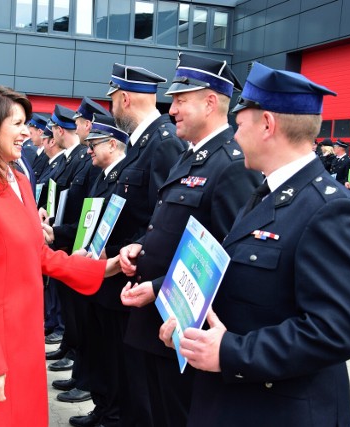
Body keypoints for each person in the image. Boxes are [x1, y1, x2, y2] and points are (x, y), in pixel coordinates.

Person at [159, 62, 350, 426]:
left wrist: (231, 352)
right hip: (240, 400)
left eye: (240, 124)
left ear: (267, 125)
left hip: (281, 408)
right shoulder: (266, 193)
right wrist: (187, 325)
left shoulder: (331, 210)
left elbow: (338, 329)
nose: (235, 134)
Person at [0, 85, 119, 426]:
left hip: (25, 339)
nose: (27, 132)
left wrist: (100, 269)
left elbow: (39, 254)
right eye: (17, 123)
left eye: (26, 123)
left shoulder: (19, 181)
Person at [118, 53, 261, 426]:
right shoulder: (192, 155)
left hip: (186, 325)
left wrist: (156, 286)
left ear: (211, 102)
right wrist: (140, 247)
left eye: (181, 100)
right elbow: (169, 224)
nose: (172, 110)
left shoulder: (231, 164)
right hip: (160, 321)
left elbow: (226, 258)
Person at [106, 61, 188, 426]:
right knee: (133, 378)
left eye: (112, 101)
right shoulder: (143, 143)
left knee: (147, 391)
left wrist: (139, 247)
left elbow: (165, 217)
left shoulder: (163, 143)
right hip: (129, 274)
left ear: (123, 99)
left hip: (146, 279)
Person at [43, 114, 129, 427]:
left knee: (109, 352)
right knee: (97, 346)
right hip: (90, 268)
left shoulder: (122, 176)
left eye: (94, 144)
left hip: (110, 276)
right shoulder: (104, 175)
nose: (88, 149)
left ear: (112, 143)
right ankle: (102, 408)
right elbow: (87, 222)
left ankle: (110, 413)